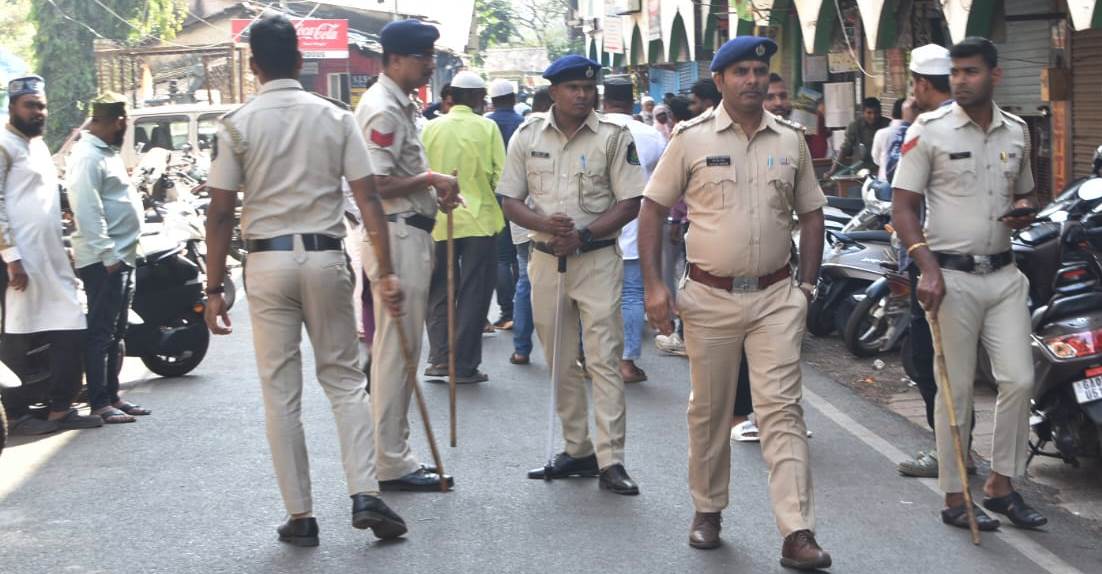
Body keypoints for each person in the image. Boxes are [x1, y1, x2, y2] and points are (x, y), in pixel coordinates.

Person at [203, 16, 409, 546]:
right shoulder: (335, 117)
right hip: (324, 256)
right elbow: (368, 200)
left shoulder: (235, 125)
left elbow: (221, 213)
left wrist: (212, 288)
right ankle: (365, 492)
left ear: (253, 68)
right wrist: (385, 272)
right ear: (300, 60)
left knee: (280, 393)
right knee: (343, 380)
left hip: (266, 264)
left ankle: (300, 516)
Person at [638, 36, 831, 569]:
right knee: (710, 410)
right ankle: (707, 509)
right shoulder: (691, 139)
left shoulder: (790, 140)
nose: (752, 79)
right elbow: (651, 210)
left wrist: (806, 288)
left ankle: (797, 531)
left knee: (782, 411)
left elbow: (812, 214)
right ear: (720, 81)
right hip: (709, 298)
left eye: (759, 71)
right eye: (740, 71)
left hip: (776, 296)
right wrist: (655, 286)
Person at [891, 36, 1047, 532]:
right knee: (953, 391)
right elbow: (903, 207)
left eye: (970, 72)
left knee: (1020, 380)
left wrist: (1025, 212)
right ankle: (956, 496)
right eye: (955, 72)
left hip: (1004, 274)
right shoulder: (928, 131)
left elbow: (1026, 194)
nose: (959, 80)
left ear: (994, 76)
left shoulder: (1018, 132)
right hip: (950, 278)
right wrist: (927, 268)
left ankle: (1002, 484)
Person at [499, 55, 645, 495]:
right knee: (560, 358)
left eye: (589, 88)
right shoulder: (527, 136)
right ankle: (577, 449)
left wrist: (582, 235)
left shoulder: (614, 137)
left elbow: (630, 201)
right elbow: (509, 198)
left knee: (603, 359)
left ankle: (611, 459)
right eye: (573, 88)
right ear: (553, 93)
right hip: (545, 261)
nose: (583, 95)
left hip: (597, 260)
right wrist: (546, 226)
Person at [354, 19, 460, 492]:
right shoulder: (383, 109)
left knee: (400, 351)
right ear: (395, 58)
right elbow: (374, 184)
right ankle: (391, 461)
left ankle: (393, 453)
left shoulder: (398, 105)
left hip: (408, 231)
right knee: (397, 352)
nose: (429, 64)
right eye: (422, 56)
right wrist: (430, 180)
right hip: (395, 236)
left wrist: (430, 187)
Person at [890, 44, 979, 479]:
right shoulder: (973, 122)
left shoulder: (924, 129)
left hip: (933, 261)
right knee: (946, 363)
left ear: (922, 85)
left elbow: (902, 198)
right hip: (967, 261)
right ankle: (958, 448)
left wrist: (925, 266)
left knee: (930, 360)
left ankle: (952, 451)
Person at [0, 75, 100, 435]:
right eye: (30, 105)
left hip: (51, 257)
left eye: (42, 105)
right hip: (20, 262)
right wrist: (12, 258)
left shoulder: (38, 146)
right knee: (18, 333)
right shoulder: (4, 144)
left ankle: (61, 409)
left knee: (70, 327)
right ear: (13, 107)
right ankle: (16, 415)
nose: (38, 112)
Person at [67, 93, 151, 425]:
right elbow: (87, 209)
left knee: (117, 331)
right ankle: (99, 402)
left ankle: (113, 396)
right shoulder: (88, 156)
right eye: (122, 123)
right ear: (113, 121)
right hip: (105, 259)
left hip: (121, 255)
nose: (124, 129)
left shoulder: (107, 152)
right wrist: (107, 254)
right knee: (101, 332)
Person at [422, 71, 506, 384]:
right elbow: (502, 175)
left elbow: (421, 171)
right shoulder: (487, 127)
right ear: (474, 98)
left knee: (440, 289)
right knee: (474, 292)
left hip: (437, 219)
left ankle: (440, 358)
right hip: (479, 221)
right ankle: (465, 363)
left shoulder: (430, 127)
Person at [602, 77, 667, 384]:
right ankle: (626, 363)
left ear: (604, 101)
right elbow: (661, 183)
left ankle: (587, 357)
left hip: (596, 228)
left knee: (594, 296)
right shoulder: (651, 135)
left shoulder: (592, 130)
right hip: (635, 226)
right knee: (630, 296)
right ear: (632, 103)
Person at [487, 78, 525, 331]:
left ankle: (507, 311)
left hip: (495, 197)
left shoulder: (486, 124)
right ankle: (525, 309)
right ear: (513, 98)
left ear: (491, 100)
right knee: (522, 258)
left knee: (502, 258)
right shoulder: (523, 125)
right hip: (521, 199)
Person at [825, 97, 890, 176]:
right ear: (863, 113)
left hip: (882, 172)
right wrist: (832, 170)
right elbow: (845, 149)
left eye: (876, 113)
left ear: (880, 112)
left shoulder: (888, 125)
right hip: (860, 172)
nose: (873, 116)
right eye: (869, 113)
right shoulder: (855, 126)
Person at [872, 98, 906, 179]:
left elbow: (876, 159)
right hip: (906, 184)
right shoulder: (915, 132)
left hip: (884, 180)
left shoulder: (881, 133)